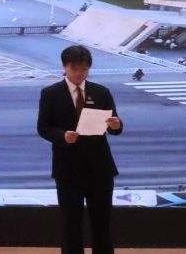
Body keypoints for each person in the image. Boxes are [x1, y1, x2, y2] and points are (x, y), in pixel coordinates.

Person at [36, 45, 123, 254]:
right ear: (64, 66)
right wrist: (62, 136)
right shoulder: (51, 93)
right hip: (68, 168)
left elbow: (115, 128)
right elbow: (43, 128)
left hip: (100, 168)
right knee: (70, 223)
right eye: (74, 68)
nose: (79, 73)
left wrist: (116, 125)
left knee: (102, 222)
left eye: (84, 69)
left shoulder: (101, 92)